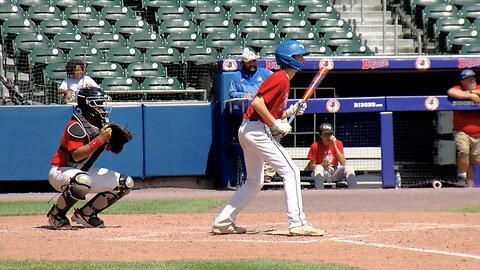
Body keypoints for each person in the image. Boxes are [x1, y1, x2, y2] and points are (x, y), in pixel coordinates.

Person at [212, 40, 325, 236]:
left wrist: (290, 111)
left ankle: (223, 222)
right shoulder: (280, 78)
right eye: (299, 56)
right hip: (256, 130)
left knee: (254, 182)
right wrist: (276, 124)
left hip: (250, 130)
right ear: (289, 59)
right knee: (291, 172)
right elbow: (256, 103)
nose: (302, 59)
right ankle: (297, 222)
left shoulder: (283, 80)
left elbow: (272, 110)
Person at [47, 87, 134, 230]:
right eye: (98, 104)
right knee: (81, 181)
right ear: (87, 105)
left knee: (125, 183)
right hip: (61, 171)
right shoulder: (75, 125)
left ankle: (86, 214)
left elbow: (115, 151)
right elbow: (76, 155)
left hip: (82, 172)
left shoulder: (101, 126)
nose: (102, 107)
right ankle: (56, 214)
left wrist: (116, 142)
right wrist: (100, 139)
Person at [229, 49, 276, 183]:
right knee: (252, 146)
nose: (252, 64)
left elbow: (277, 85)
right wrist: (242, 95)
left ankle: (267, 173)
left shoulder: (265, 73)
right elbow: (232, 93)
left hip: (266, 114)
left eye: (254, 61)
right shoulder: (237, 76)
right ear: (243, 63)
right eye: (248, 62)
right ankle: (255, 176)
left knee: (272, 139)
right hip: (247, 117)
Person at [447, 69, 480, 187]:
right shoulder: (458, 89)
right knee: (463, 152)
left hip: (478, 134)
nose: (473, 81)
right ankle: (461, 178)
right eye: (469, 79)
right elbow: (451, 92)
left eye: (474, 78)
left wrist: (474, 93)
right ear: (463, 81)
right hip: (462, 131)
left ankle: (469, 189)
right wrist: (470, 95)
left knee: (474, 161)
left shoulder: (478, 88)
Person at [306, 123, 356, 189]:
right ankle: (320, 192)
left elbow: (343, 163)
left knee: (349, 168)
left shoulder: (338, 143)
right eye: (325, 134)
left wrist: (334, 145)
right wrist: (322, 164)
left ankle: (353, 190)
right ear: (320, 135)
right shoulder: (315, 146)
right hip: (322, 172)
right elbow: (311, 166)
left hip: (334, 171)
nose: (328, 136)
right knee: (318, 167)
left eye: (330, 134)